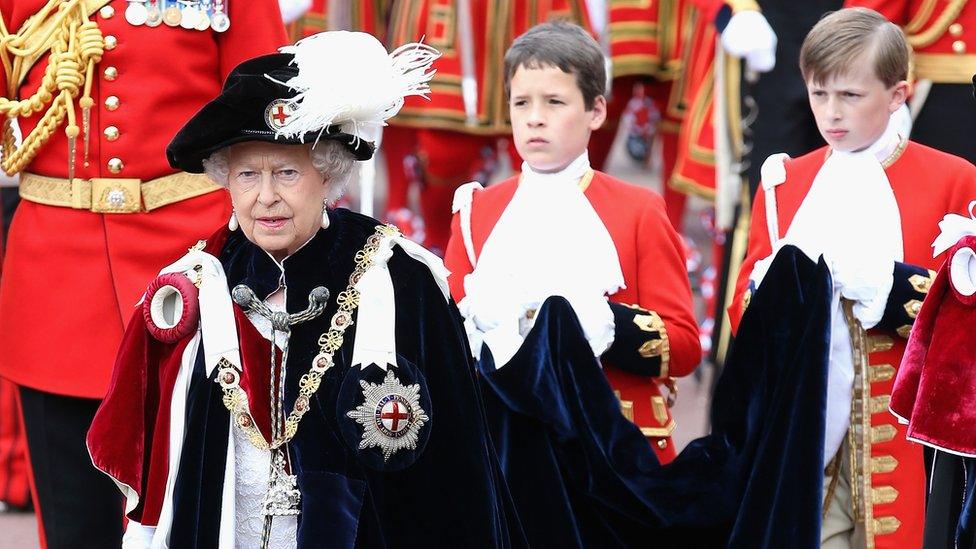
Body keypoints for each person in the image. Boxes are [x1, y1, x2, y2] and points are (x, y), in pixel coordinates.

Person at [87, 31, 524, 548]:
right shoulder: (193, 287)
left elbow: (460, 476)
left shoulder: (403, 280)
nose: (266, 197)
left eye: (287, 172)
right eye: (248, 174)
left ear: (328, 174)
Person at [0, 1, 286, 545]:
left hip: (191, 266)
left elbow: (266, 106)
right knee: (73, 526)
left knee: (199, 515)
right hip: (56, 278)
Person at [728, 8, 976, 548]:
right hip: (807, 443)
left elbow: (967, 325)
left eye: (851, 96)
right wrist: (768, 297)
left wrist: (893, 292)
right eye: (819, 95)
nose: (831, 114)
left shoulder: (955, 179)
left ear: (896, 94)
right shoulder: (786, 181)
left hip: (907, 453)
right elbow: (742, 312)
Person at [444, 21, 701, 463]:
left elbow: (682, 346)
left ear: (596, 111)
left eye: (555, 102)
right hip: (506, 446)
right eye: (521, 102)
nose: (535, 117)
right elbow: (448, 343)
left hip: (612, 449)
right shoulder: (476, 212)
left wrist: (606, 323)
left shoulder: (638, 209)